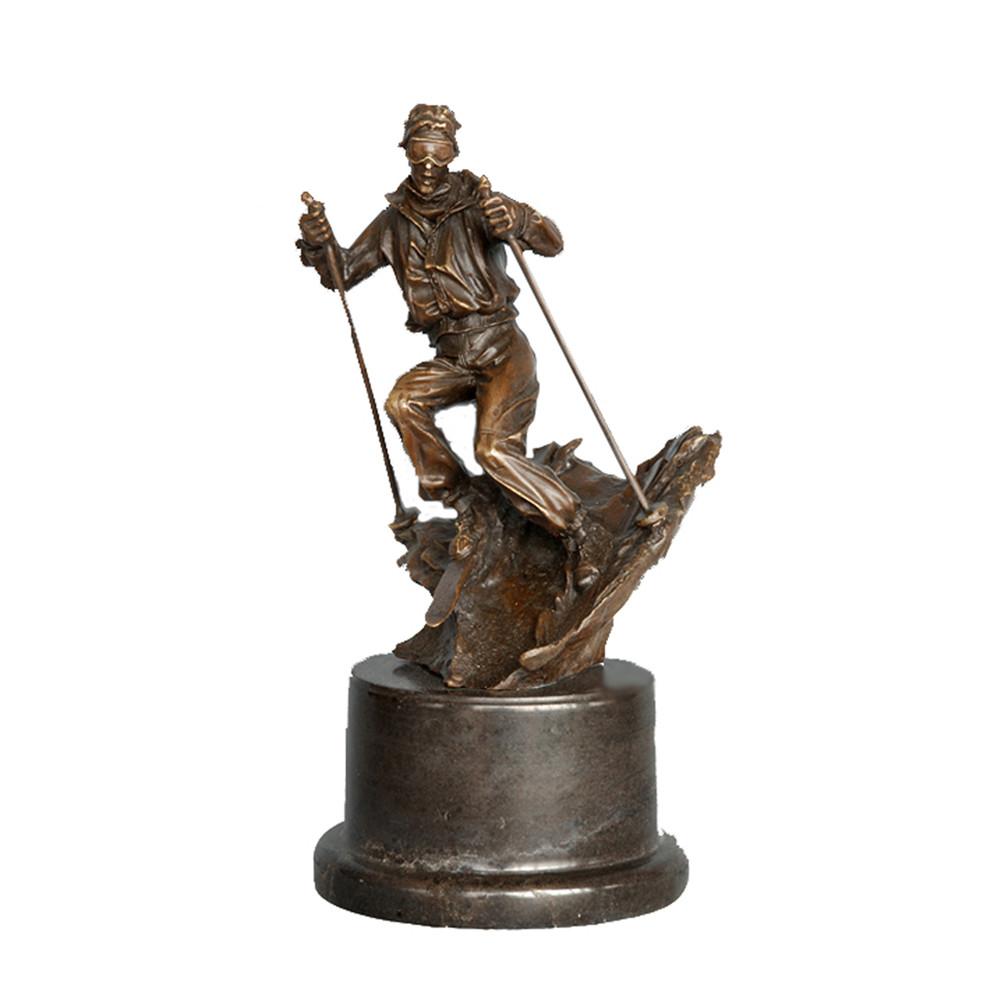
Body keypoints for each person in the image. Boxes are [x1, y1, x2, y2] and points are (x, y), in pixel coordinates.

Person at [298, 104, 595, 587]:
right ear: (406, 151)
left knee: (494, 451)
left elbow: (551, 242)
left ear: (453, 153)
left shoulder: (478, 201)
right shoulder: (394, 221)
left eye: (438, 155)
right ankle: (467, 502)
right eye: (419, 154)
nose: (428, 165)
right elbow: (343, 273)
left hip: (500, 347)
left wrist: (518, 219)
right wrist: (319, 245)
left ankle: (577, 529)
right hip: (453, 356)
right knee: (404, 400)